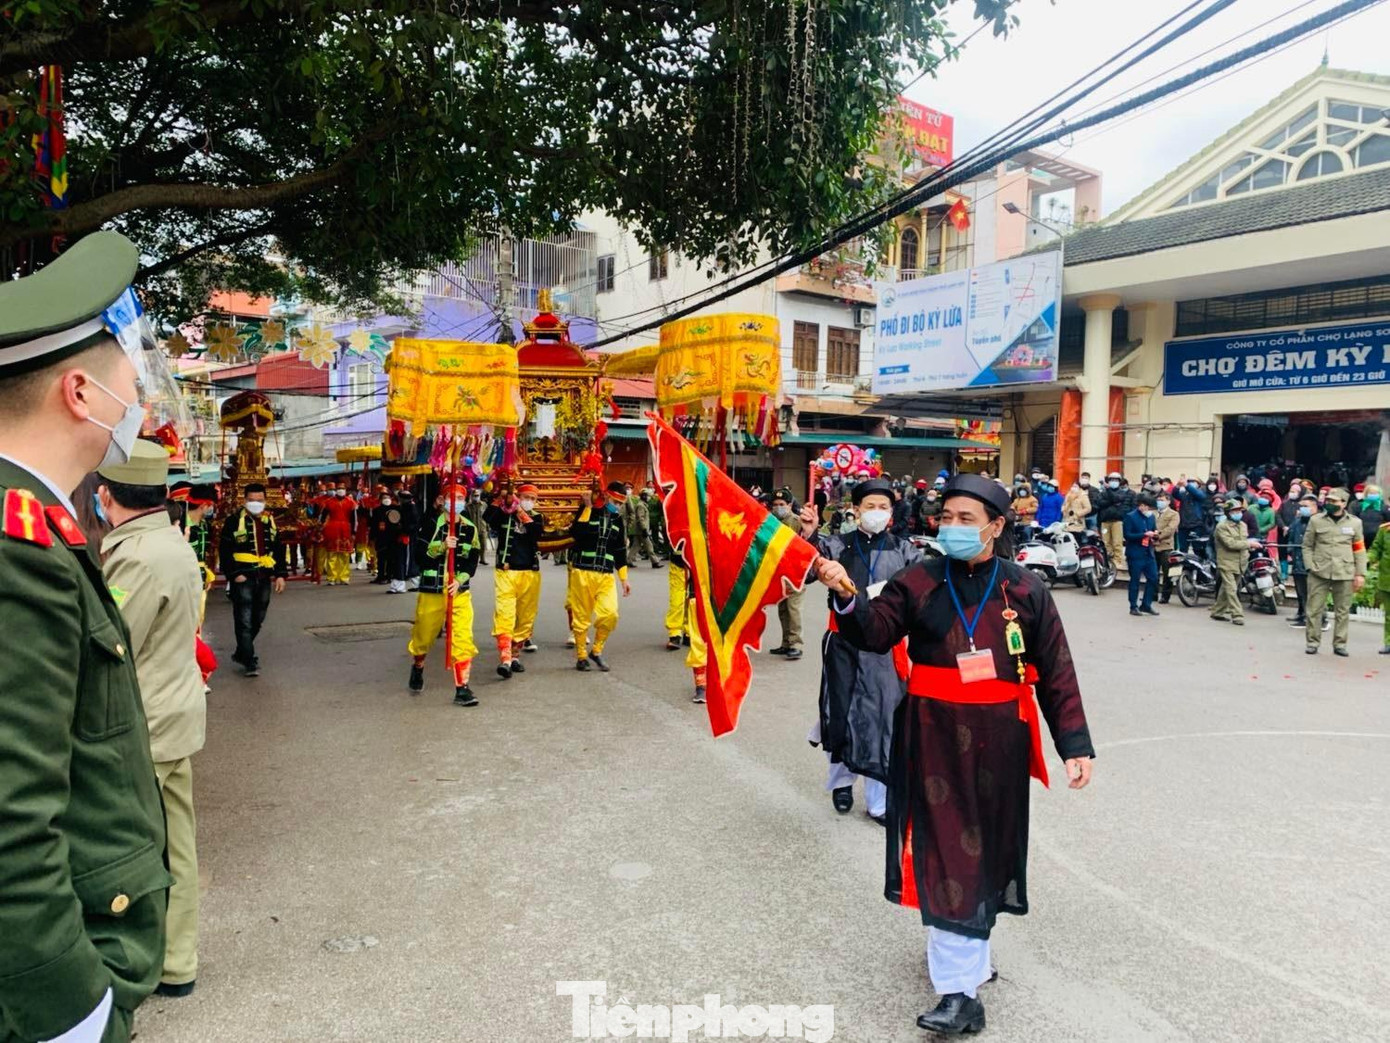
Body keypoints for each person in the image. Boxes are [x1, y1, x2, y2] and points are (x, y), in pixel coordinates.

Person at [813, 474, 1094, 1035]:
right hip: (933, 735)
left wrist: (1074, 745)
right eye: (947, 518)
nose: (954, 528)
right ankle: (959, 993)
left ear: (995, 527)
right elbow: (872, 632)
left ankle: (968, 950)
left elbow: (1056, 671)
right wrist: (847, 593)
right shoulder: (917, 580)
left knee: (986, 850)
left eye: (968, 520)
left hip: (1001, 740)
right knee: (947, 850)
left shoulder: (1025, 589)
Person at [0, 230, 172, 1042]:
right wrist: (77, 1010)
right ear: (78, 393)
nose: (137, 390)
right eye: (124, 370)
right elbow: (10, 826)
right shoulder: (15, 547)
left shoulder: (38, 526)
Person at [97, 440, 206, 1000]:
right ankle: (177, 961)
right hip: (177, 713)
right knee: (175, 844)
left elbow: (113, 647)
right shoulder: (170, 541)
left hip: (148, 723)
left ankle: (146, 961)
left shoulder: (137, 557)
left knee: (137, 849)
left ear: (107, 495)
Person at [799, 478, 921, 824]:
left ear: (892, 511)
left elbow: (922, 588)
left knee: (885, 717)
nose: (877, 513)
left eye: (884, 507)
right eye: (870, 507)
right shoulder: (836, 545)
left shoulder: (904, 550)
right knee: (841, 711)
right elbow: (807, 571)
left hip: (886, 645)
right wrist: (809, 535)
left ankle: (879, 799)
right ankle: (841, 782)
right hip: (844, 643)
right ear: (856, 510)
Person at [406, 484, 481, 705]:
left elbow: (472, 561)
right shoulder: (430, 524)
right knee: (424, 635)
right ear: (443, 499)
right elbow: (420, 557)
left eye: (460, 497)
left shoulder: (470, 528)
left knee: (463, 638)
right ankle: (418, 665)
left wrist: (459, 580)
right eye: (452, 497)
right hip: (433, 590)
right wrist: (440, 546)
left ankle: (462, 687)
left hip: (458, 592)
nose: (455, 501)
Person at [218, 482, 289, 675]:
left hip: (264, 575)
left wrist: (281, 575)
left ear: (265, 500)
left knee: (259, 616)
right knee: (244, 619)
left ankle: (242, 652)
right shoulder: (233, 521)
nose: (256, 504)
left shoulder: (269, 521)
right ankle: (249, 660)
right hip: (243, 576)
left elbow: (278, 549)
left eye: (259, 500)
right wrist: (233, 575)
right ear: (244, 500)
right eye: (251, 500)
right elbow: (224, 551)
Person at [569, 482, 631, 671]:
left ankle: (596, 651)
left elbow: (620, 551)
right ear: (605, 496)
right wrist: (587, 507)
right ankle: (581, 655)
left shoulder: (618, 520)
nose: (617, 506)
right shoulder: (588, 510)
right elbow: (577, 534)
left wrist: (624, 579)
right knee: (581, 616)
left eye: (621, 503)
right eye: (615, 501)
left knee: (610, 614)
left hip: (605, 574)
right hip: (582, 571)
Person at [486, 483, 545, 677]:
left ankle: (515, 655)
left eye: (532, 498)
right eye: (524, 497)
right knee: (505, 614)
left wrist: (519, 509)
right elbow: (488, 519)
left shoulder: (537, 517)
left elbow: (535, 533)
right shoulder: (504, 514)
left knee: (525, 617)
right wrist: (500, 498)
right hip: (506, 572)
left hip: (529, 573)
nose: (529, 501)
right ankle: (505, 658)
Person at [1302, 487, 1367, 657]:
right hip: (1319, 570)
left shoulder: (1355, 523)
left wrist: (1360, 574)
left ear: (1343, 503)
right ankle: (1312, 642)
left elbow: (1359, 549)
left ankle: (1339, 644)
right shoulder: (1316, 520)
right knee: (1314, 609)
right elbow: (1307, 545)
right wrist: (1310, 565)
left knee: (1342, 611)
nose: (1329, 503)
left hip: (1344, 571)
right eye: (1328, 500)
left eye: (1334, 501)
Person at [1211, 497, 1259, 627]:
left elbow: (1243, 541)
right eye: (1234, 511)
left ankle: (1217, 611)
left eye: (1239, 511)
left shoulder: (1243, 525)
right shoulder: (1222, 527)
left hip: (1241, 562)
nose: (1238, 513)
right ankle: (1237, 615)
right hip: (1227, 562)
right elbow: (1230, 544)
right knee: (1232, 589)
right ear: (1228, 513)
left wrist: (1252, 545)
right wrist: (1249, 544)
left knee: (1226, 589)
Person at [769, 487, 805, 660]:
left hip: (796, 572)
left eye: (782, 504)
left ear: (790, 505)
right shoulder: (772, 522)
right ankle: (786, 643)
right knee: (783, 609)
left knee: (793, 608)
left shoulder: (798, 522)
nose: (778, 507)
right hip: (780, 572)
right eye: (775, 504)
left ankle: (796, 644)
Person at [1122, 493, 1161, 617]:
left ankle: (1146, 604)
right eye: (1146, 507)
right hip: (1135, 553)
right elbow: (1127, 535)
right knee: (1135, 580)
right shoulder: (1130, 517)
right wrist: (1143, 535)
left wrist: (1155, 535)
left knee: (1154, 578)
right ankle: (1133, 606)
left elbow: (1154, 530)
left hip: (1148, 553)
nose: (1148, 510)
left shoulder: (1151, 517)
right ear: (1141, 505)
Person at [1286, 492, 1318, 629]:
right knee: (1300, 590)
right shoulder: (1297, 521)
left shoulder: (1318, 522)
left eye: (1307, 506)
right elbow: (1291, 536)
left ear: (1315, 507)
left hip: (1311, 562)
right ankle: (1302, 613)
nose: (1303, 508)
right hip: (1297, 559)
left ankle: (1313, 618)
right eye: (1302, 506)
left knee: (1311, 592)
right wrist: (1289, 551)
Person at [318, 480, 357, 585]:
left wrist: (353, 532)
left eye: (342, 489)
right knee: (331, 553)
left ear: (345, 490)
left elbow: (354, 519)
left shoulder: (351, 502)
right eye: (339, 489)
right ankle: (331, 577)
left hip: (346, 529)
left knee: (344, 554)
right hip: (332, 529)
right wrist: (320, 527)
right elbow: (322, 517)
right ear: (336, 490)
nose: (341, 491)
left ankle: (344, 577)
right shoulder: (329, 502)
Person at [1095, 472, 1135, 570]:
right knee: (1106, 542)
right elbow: (1100, 503)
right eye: (1111, 480)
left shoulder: (1122, 492)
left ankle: (1118, 561)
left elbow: (1117, 498)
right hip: (1105, 521)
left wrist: (1109, 493)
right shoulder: (1102, 493)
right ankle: (1109, 560)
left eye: (1116, 480)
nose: (1113, 482)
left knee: (1117, 542)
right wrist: (1112, 502)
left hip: (1117, 521)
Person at [1366, 517, 1390, 654]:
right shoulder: (1384, 530)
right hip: (1387, 579)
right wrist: (1367, 559)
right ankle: (1389, 642)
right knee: (1389, 615)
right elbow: (1376, 549)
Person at [1153, 491, 1180, 604]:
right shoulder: (1153, 513)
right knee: (1152, 572)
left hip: (1166, 546)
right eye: (1158, 500)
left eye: (1162, 500)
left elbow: (1170, 529)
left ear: (1168, 501)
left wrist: (1156, 535)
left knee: (1167, 573)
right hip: (1152, 546)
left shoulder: (1173, 514)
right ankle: (1153, 594)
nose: (1160, 502)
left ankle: (1165, 596)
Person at [625, 485, 659, 566]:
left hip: (640, 530)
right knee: (649, 546)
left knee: (635, 546)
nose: (648, 497)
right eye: (647, 496)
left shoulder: (642, 505)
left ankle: (628, 561)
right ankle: (655, 562)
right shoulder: (640, 505)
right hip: (642, 530)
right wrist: (644, 529)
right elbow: (640, 518)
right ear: (643, 496)